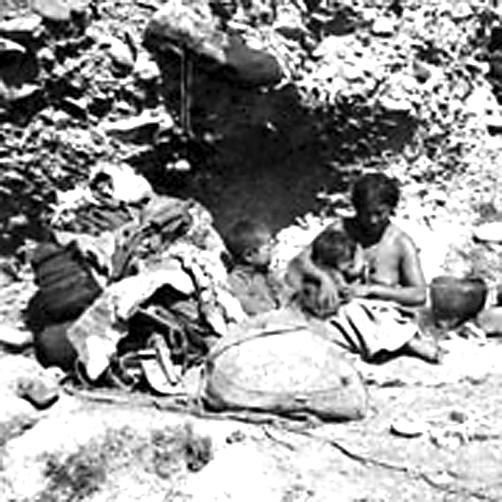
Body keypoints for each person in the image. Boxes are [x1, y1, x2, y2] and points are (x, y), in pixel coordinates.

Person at [288, 172, 441, 363]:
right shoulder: (341, 229)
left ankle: (406, 342)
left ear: (391, 209)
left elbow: (418, 294)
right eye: (366, 213)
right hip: (339, 311)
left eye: (379, 213)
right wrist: (324, 278)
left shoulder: (400, 243)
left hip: (380, 315)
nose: (372, 220)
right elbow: (300, 261)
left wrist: (372, 290)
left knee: (359, 311)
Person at [225, 219, 291, 316]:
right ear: (249, 255)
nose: (272, 251)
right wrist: (269, 309)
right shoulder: (239, 278)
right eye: (267, 249)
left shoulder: (262, 272)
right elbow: (243, 302)